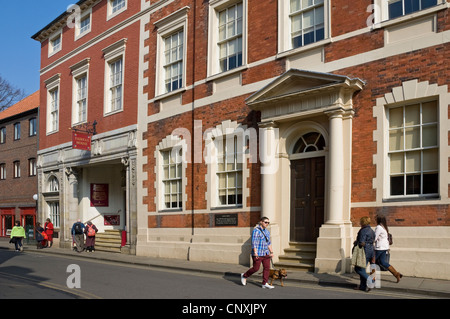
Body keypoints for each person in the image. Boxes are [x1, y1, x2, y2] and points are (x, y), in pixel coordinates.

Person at [241, 217, 275, 289]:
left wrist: (271, 252)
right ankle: (244, 275)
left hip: (265, 253)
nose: (267, 224)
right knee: (256, 268)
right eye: (266, 222)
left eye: (268, 223)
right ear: (261, 222)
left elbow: (268, 243)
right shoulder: (256, 231)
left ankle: (264, 283)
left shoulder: (267, 232)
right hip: (258, 253)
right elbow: (254, 243)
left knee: (267, 268)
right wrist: (255, 252)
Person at [374, 215, 403, 283]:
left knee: (373, 262)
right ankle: (396, 274)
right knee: (383, 262)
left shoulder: (378, 227)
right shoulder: (384, 227)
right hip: (385, 247)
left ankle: (373, 279)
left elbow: (375, 238)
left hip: (379, 248)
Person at [353, 216, 375, 292]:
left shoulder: (363, 230)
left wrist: (356, 242)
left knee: (358, 269)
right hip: (371, 251)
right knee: (362, 269)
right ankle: (362, 286)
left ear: (362, 222)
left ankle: (371, 281)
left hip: (364, 252)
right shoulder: (371, 230)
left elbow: (361, 242)